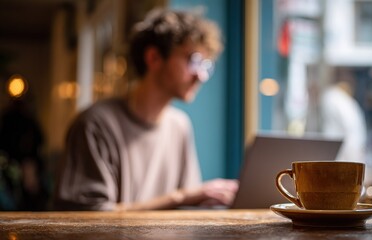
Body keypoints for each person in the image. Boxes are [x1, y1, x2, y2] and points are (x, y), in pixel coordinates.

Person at [54, 9, 238, 211]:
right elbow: (89, 219)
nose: (201, 76)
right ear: (153, 58)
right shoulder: (95, 124)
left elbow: (187, 211)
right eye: (193, 61)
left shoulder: (180, 125)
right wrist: (179, 197)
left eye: (205, 65)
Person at [319, 67, 367, 163]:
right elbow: (353, 130)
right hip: (341, 155)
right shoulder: (339, 99)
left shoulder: (334, 98)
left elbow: (352, 129)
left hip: (339, 155)